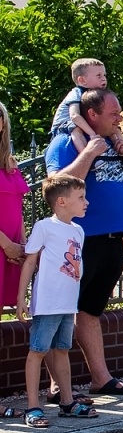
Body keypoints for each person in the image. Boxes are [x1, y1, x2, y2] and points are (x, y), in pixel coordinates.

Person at [44, 88, 123, 398]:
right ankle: (56, 386)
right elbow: (53, 187)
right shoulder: (66, 143)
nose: (119, 119)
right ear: (92, 114)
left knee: (90, 311)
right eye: (113, 114)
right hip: (79, 241)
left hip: (114, 240)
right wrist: (88, 153)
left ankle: (100, 378)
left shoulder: (118, 145)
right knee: (59, 311)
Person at [16, 173, 94, 428]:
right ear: (61, 201)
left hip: (67, 303)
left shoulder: (78, 230)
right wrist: (21, 298)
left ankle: (67, 402)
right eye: (80, 197)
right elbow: (30, 262)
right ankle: (33, 406)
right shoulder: (44, 227)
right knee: (38, 351)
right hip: (48, 303)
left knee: (62, 350)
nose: (86, 202)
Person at [0, 102, 28, 317]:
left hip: (9, 253)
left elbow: (17, 208)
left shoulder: (10, 163)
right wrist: (7, 244)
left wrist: (22, 246)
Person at [50, 58, 108, 155]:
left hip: (79, 122)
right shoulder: (76, 93)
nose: (103, 78)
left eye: (104, 75)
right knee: (76, 129)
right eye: (98, 75)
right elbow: (74, 116)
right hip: (63, 124)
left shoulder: (95, 95)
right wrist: (92, 134)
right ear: (82, 80)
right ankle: (87, 155)